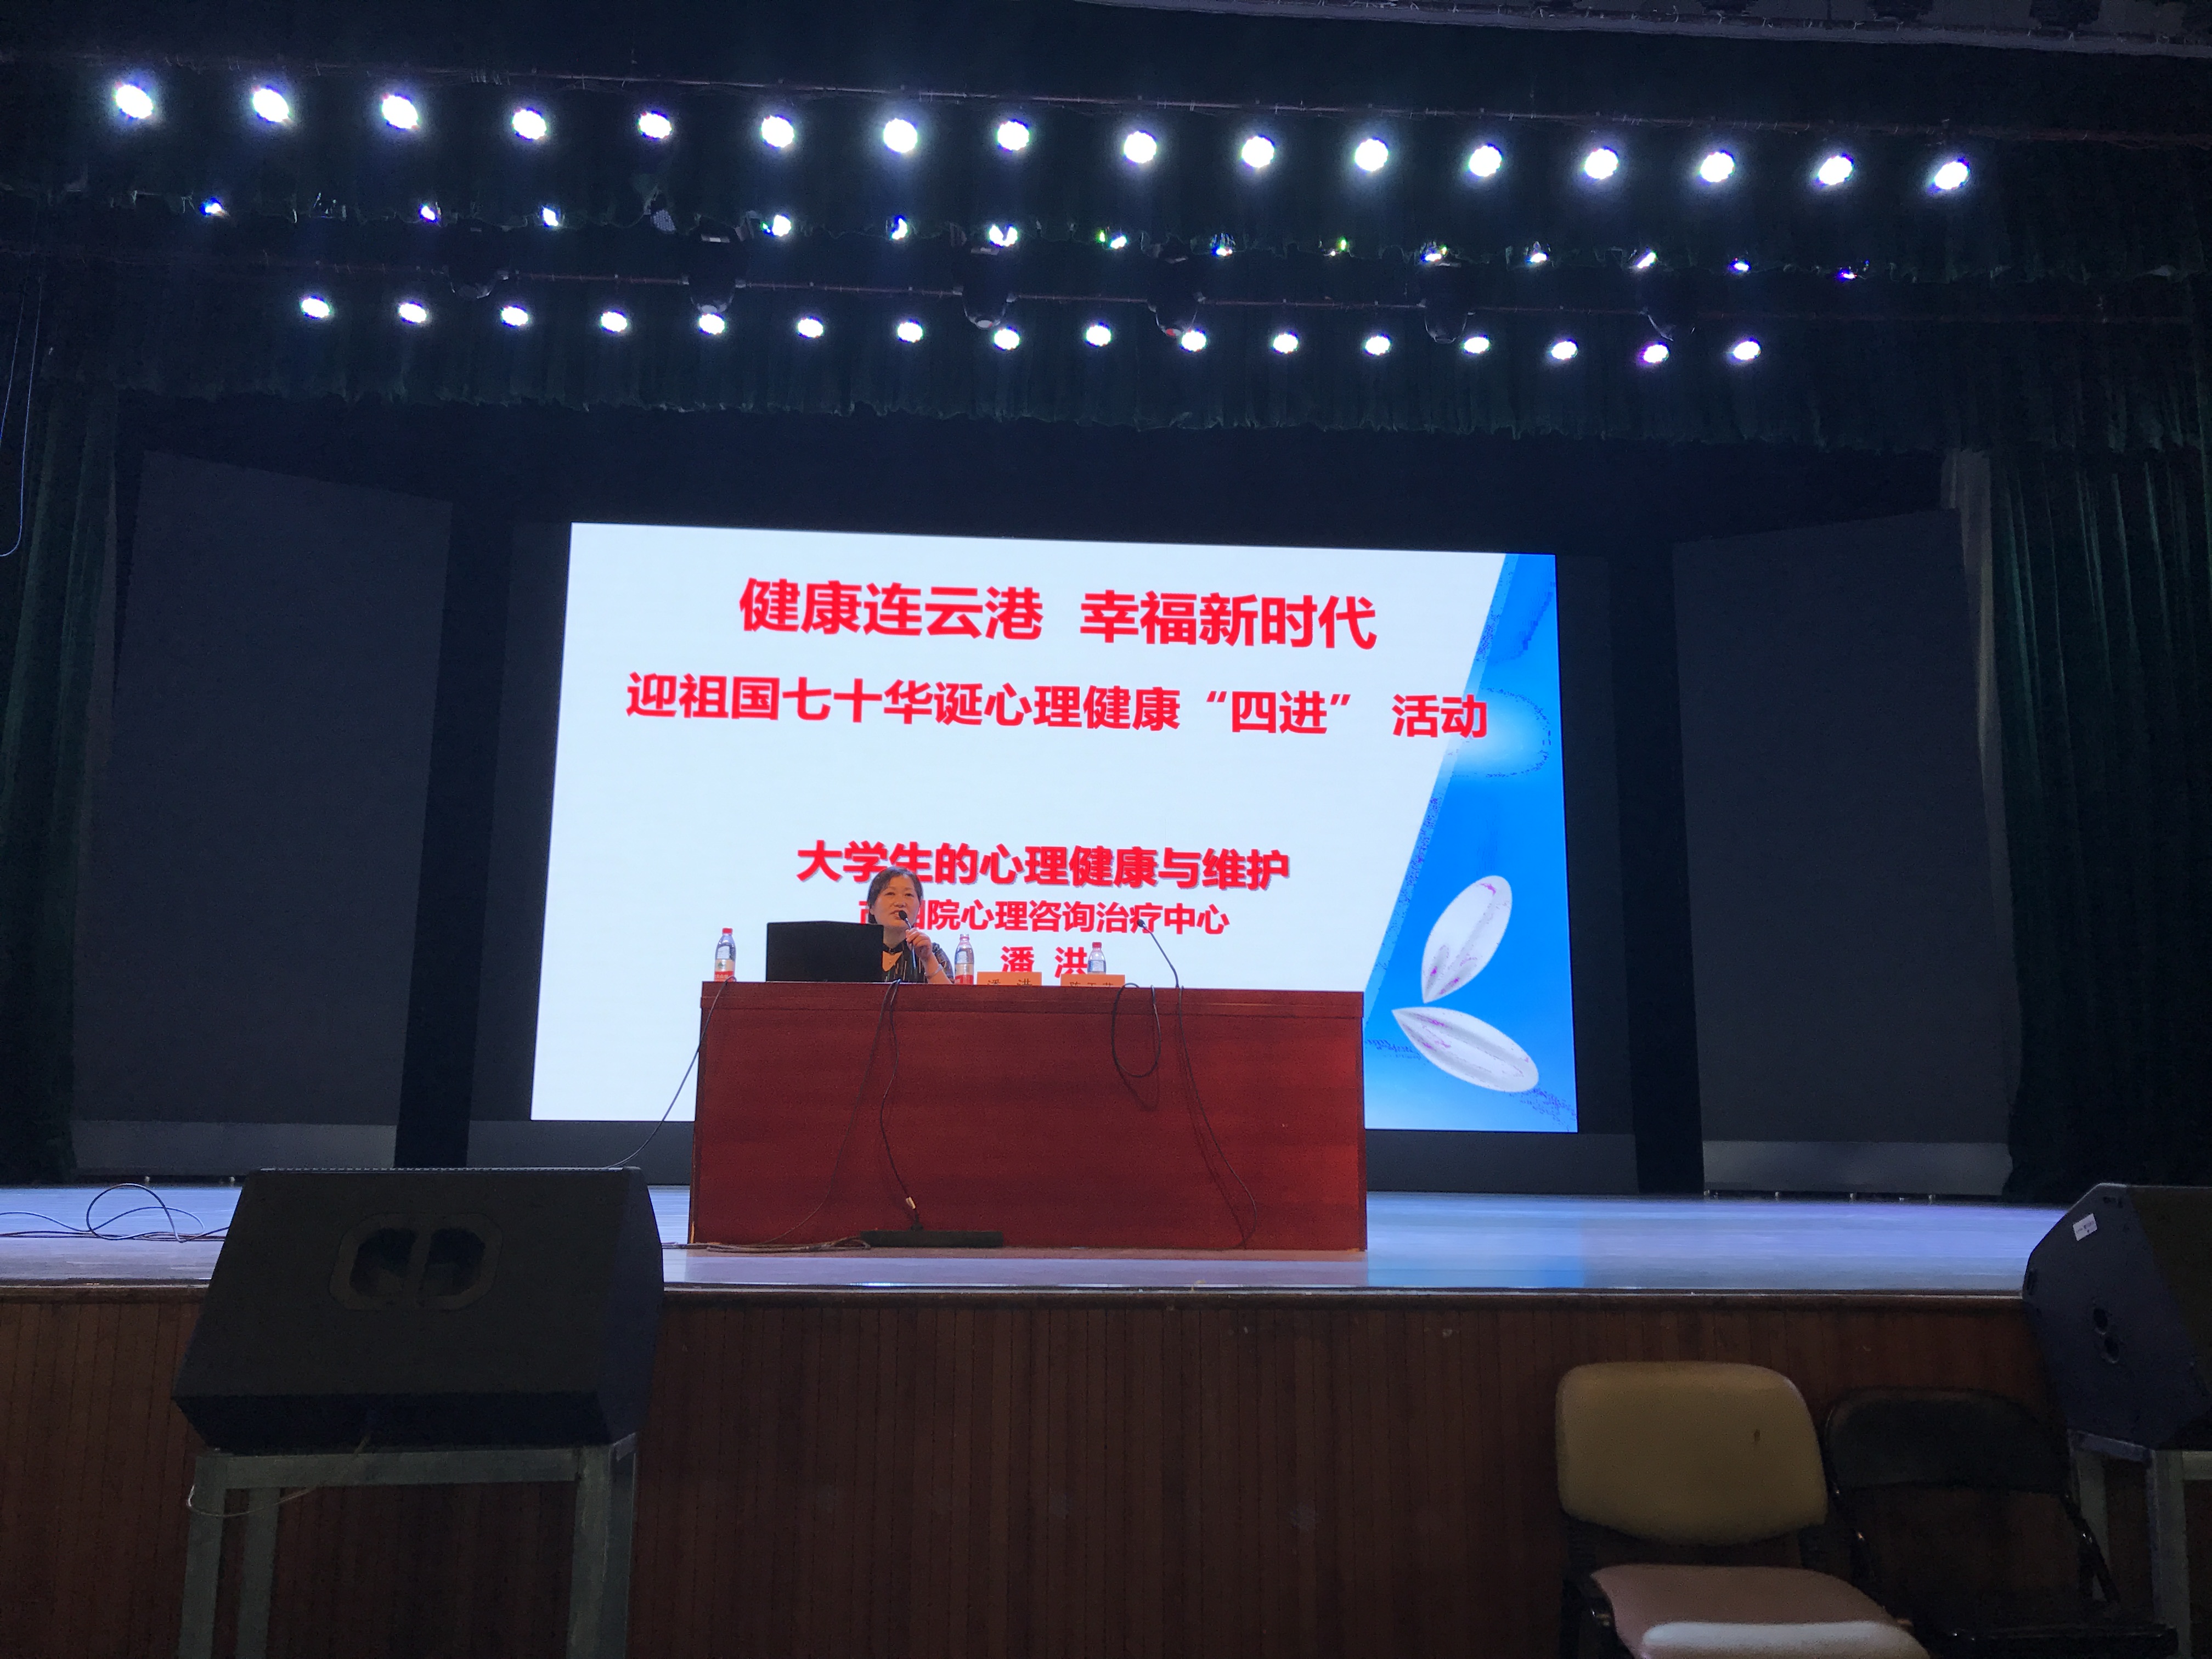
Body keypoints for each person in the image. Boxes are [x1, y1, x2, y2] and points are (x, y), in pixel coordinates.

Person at [865, 866, 953, 984]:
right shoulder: (855, 951)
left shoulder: (932, 952)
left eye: (908, 895)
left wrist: (928, 959)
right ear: (871, 906)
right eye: (890, 894)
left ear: (919, 907)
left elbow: (949, 995)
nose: (900, 903)